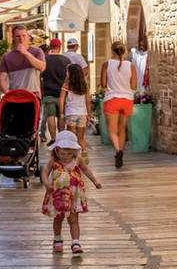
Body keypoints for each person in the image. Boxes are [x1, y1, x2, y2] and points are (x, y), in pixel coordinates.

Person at [39, 130, 101, 255]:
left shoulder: (77, 160)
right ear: (56, 150)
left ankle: (76, 242)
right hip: (58, 196)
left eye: (69, 153)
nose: (65, 156)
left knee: (74, 219)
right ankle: (57, 239)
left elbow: (86, 170)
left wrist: (95, 181)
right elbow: (45, 172)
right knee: (58, 218)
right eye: (62, 153)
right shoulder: (54, 161)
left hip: (74, 195)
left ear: (74, 151)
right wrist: (47, 184)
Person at [100, 41, 137, 169]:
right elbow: (134, 86)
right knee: (122, 129)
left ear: (112, 51)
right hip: (127, 99)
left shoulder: (106, 64)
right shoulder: (131, 66)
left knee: (111, 130)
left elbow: (104, 84)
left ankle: (118, 151)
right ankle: (120, 152)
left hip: (112, 99)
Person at [0, 25, 46, 96]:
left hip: (33, 95)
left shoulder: (37, 51)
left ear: (28, 37)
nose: (21, 39)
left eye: (24, 36)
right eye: (18, 36)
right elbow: (2, 78)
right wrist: (7, 93)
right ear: (13, 38)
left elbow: (41, 67)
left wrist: (25, 53)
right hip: (15, 96)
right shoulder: (6, 57)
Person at [40, 39, 70, 144]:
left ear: (50, 47)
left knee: (50, 116)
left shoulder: (44, 59)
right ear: (60, 47)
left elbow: (41, 76)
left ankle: (53, 139)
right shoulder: (66, 60)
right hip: (62, 93)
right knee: (61, 116)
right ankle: (61, 137)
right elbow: (69, 77)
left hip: (48, 93)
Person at [61, 63, 90, 156]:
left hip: (71, 114)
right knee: (81, 137)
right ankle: (84, 154)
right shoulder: (84, 85)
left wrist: (61, 113)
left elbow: (61, 100)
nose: (66, 73)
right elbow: (88, 101)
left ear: (71, 73)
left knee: (72, 137)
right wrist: (89, 114)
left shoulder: (66, 85)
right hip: (82, 114)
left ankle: (75, 157)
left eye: (67, 71)